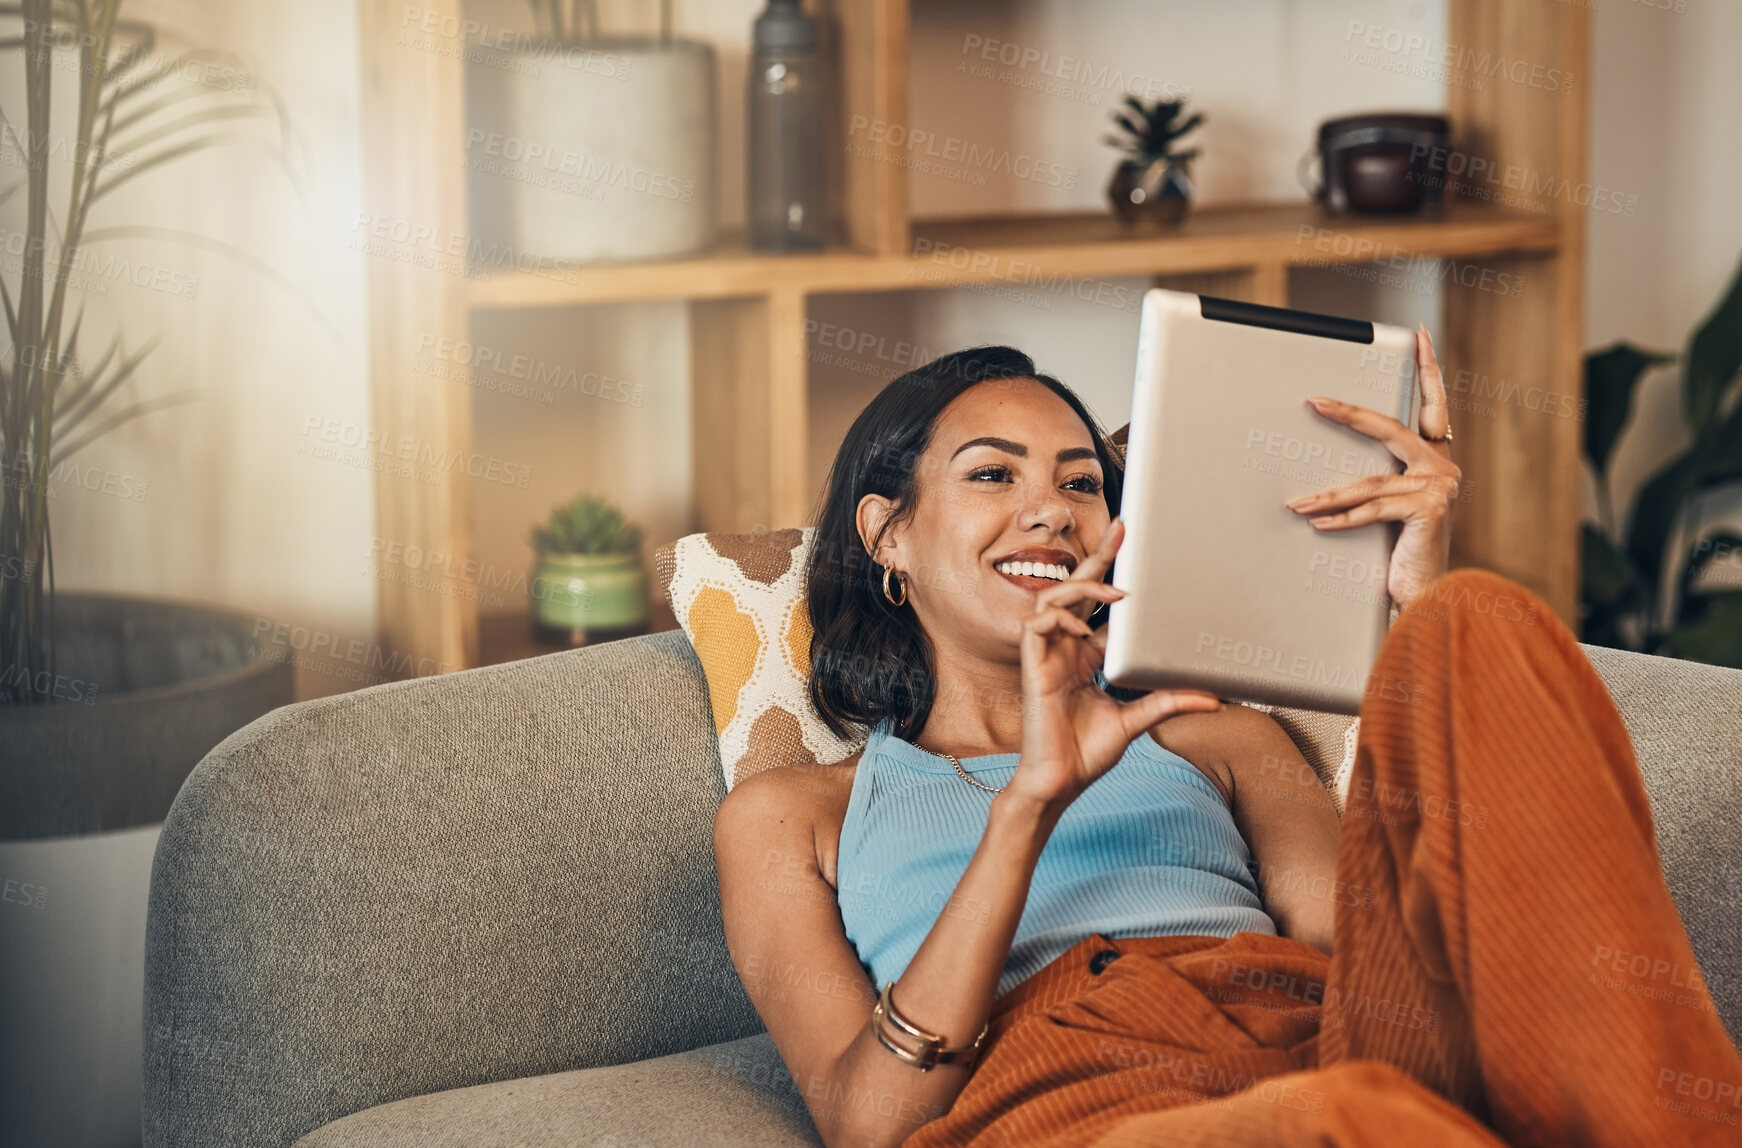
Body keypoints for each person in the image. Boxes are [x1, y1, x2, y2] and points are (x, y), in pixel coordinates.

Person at [712, 339, 1742, 1148]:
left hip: (1306, 1033)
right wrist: (1030, 799)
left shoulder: (1212, 729)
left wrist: (1410, 608)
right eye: (991, 475)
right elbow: (869, 1124)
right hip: (1072, 1093)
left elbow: (1370, 961)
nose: (1049, 513)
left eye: (1080, 484)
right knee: (1357, 1127)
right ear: (885, 533)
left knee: (1479, 614)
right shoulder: (796, 815)